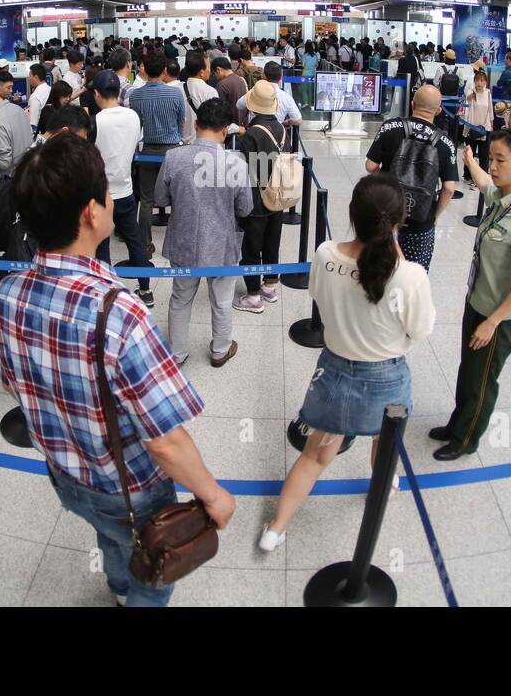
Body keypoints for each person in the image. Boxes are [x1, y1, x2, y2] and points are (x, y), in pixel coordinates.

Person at [0, 135, 234, 606]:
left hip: (67, 475)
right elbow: (164, 439)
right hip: (130, 490)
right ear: (91, 213)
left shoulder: (6, 294)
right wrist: (213, 494)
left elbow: (12, 381)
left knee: (114, 541)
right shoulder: (118, 313)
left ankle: (119, 586)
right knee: (151, 571)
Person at [258, 171, 434, 550]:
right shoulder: (410, 276)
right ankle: (382, 481)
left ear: (352, 213)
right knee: (383, 443)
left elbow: (319, 300)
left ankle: (276, 527)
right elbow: (420, 330)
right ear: (399, 221)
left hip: (334, 373)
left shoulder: (325, 254)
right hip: (387, 379)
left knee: (315, 457)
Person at [433, 129, 511, 460]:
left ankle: (467, 439)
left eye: (501, 160)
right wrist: (469, 161)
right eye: (490, 159)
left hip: (496, 318)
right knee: (468, 372)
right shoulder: (501, 196)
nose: (493, 166)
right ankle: (457, 424)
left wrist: (492, 322)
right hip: (476, 303)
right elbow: (484, 183)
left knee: (481, 382)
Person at [155, 99, 252, 367]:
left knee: (180, 298)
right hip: (223, 244)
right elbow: (245, 209)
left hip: (184, 242)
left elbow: (160, 200)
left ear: (196, 125)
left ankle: (177, 353)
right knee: (222, 300)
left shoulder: (173, 157)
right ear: (225, 131)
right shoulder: (236, 163)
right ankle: (220, 349)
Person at [365, 85, 458, 271]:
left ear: (412, 104)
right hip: (421, 222)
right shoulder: (446, 143)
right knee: (415, 275)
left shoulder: (390, 127)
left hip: (387, 213)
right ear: (438, 111)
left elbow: (371, 166)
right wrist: (435, 215)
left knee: (379, 270)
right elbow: (449, 188)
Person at [91, 70, 153, 307]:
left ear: (96, 93)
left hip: (100, 194)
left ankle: (108, 293)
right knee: (135, 240)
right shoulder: (134, 116)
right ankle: (146, 290)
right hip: (126, 190)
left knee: (102, 244)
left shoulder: (95, 121)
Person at [234, 81, 286, 313]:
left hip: (255, 199)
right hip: (276, 195)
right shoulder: (281, 128)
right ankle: (270, 286)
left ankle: (253, 296)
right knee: (272, 243)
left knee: (252, 248)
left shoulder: (252, 133)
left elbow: (243, 167)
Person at [128, 55, 185, 258]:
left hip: (148, 151)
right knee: (179, 198)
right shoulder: (176, 94)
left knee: (146, 200)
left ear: (143, 70)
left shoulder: (135, 96)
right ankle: (179, 244)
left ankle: (145, 245)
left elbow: (136, 125)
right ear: (164, 71)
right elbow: (181, 122)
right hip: (173, 151)